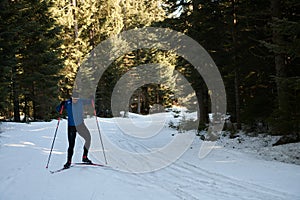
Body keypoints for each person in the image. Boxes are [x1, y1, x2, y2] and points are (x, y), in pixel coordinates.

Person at [56, 92, 93, 169]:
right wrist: (61, 104)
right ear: (71, 98)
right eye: (74, 99)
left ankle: (85, 157)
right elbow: (58, 109)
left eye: (76, 99)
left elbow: (89, 101)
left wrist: (91, 98)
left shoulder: (81, 101)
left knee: (88, 138)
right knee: (71, 145)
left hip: (80, 125)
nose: (75, 100)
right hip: (71, 126)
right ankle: (68, 162)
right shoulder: (67, 103)